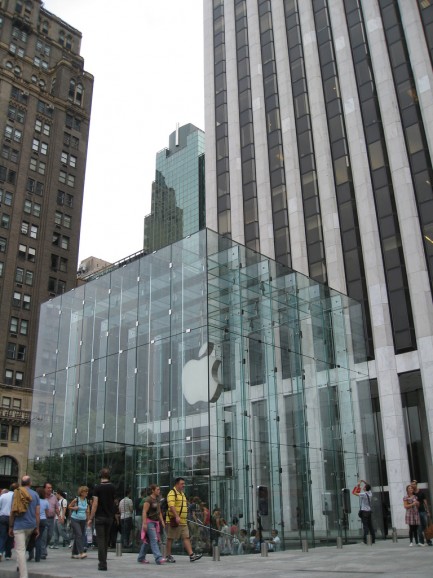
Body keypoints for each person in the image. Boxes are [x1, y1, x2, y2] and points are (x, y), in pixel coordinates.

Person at [165, 477, 202, 563]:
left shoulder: (182, 494)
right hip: (174, 520)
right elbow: (171, 506)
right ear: (177, 484)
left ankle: (191, 555)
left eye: (184, 484)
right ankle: (168, 555)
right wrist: (177, 516)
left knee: (186, 537)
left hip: (183, 521)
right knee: (170, 538)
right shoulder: (172, 493)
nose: (183, 485)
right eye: (182, 484)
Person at [9, 475, 40, 578]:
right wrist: (37, 527)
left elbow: (13, 510)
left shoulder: (16, 493)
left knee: (20, 550)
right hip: (31, 525)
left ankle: (23, 575)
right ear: (30, 483)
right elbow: (37, 513)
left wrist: (10, 526)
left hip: (19, 525)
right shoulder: (35, 495)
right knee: (23, 547)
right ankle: (20, 566)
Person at [87, 468, 116, 571]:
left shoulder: (97, 488)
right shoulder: (112, 487)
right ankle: (104, 561)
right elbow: (113, 501)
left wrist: (91, 517)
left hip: (99, 517)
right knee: (106, 539)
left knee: (100, 540)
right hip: (109, 517)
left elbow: (95, 504)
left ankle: (102, 563)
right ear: (109, 476)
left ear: (100, 476)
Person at [137, 484, 166, 565]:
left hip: (155, 522)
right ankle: (158, 558)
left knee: (148, 540)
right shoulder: (148, 500)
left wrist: (162, 522)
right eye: (157, 489)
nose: (159, 491)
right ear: (153, 490)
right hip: (149, 522)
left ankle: (141, 557)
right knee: (154, 539)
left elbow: (159, 512)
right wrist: (144, 523)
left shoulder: (157, 499)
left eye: (159, 489)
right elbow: (144, 512)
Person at [69, 486, 90, 559]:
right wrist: (74, 508)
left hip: (83, 519)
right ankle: (81, 552)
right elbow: (69, 506)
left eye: (87, 491)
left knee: (78, 536)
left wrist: (88, 519)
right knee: (79, 534)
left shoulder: (86, 500)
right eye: (85, 491)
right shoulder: (76, 499)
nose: (87, 493)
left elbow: (87, 510)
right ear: (81, 492)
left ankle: (74, 553)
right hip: (75, 519)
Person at [352, 479, 375, 544]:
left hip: (364, 512)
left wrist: (358, 485)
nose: (363, 487)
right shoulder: (370, 493)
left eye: (364, 487)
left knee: (365, 526)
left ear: (365, 488)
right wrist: (363, 481)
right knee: (370, 526)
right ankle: (373, 539)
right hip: (369, 511)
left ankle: (365, 540)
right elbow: (368, 486)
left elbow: (354, 493)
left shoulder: (364, 494)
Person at [41, 482, 59, 558]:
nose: (50, 489)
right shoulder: (41, 497)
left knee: (49, 535)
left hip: (51, 519)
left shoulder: (54, 497)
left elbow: (57, 508)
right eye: (48, 488)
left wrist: (60, 517)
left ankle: (43, 548)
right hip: (43, 519)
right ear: (44, 488)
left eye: (51, 488)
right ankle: (43, 552)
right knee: (44, 536)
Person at [0, 483, 17, 561]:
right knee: (11, 536)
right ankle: (8, 554)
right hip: (12, 517)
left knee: (2, 536)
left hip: (3, 517)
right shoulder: (16, 497)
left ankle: (0, 551)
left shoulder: (3, 496)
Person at [412, 480, 432, 546]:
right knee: (419, 527)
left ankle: (428, 540)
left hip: (423, 511)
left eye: (414, 484)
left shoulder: (421, 492)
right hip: (416, 513)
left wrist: (428, 511)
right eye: (412, 484)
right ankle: (421, 541)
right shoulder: (412, 494)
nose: (413, 485)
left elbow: (425, 502)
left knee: (425, 526)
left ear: (416, 485)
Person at [33, 487, 49, 563]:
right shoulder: (46, 501)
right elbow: (47, 513)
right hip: (43, 520)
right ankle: (38, 556)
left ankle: (31, 554)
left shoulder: (34, 501)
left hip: (35, 520)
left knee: (32, 538)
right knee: (39, 538)